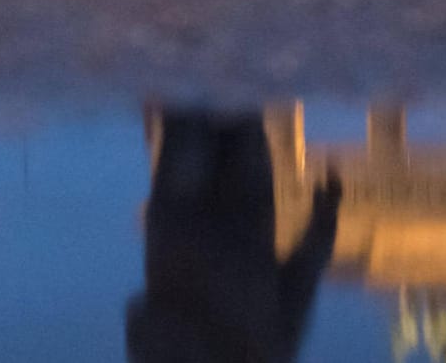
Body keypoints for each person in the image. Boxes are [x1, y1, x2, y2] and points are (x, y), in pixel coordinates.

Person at [128, 109, 340, 362]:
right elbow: (300, 284)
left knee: (197, 110)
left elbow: (141, 321)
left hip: (193, 222)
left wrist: (325, 218)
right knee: (235, 105)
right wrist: (325, 219)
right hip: (232, 219)